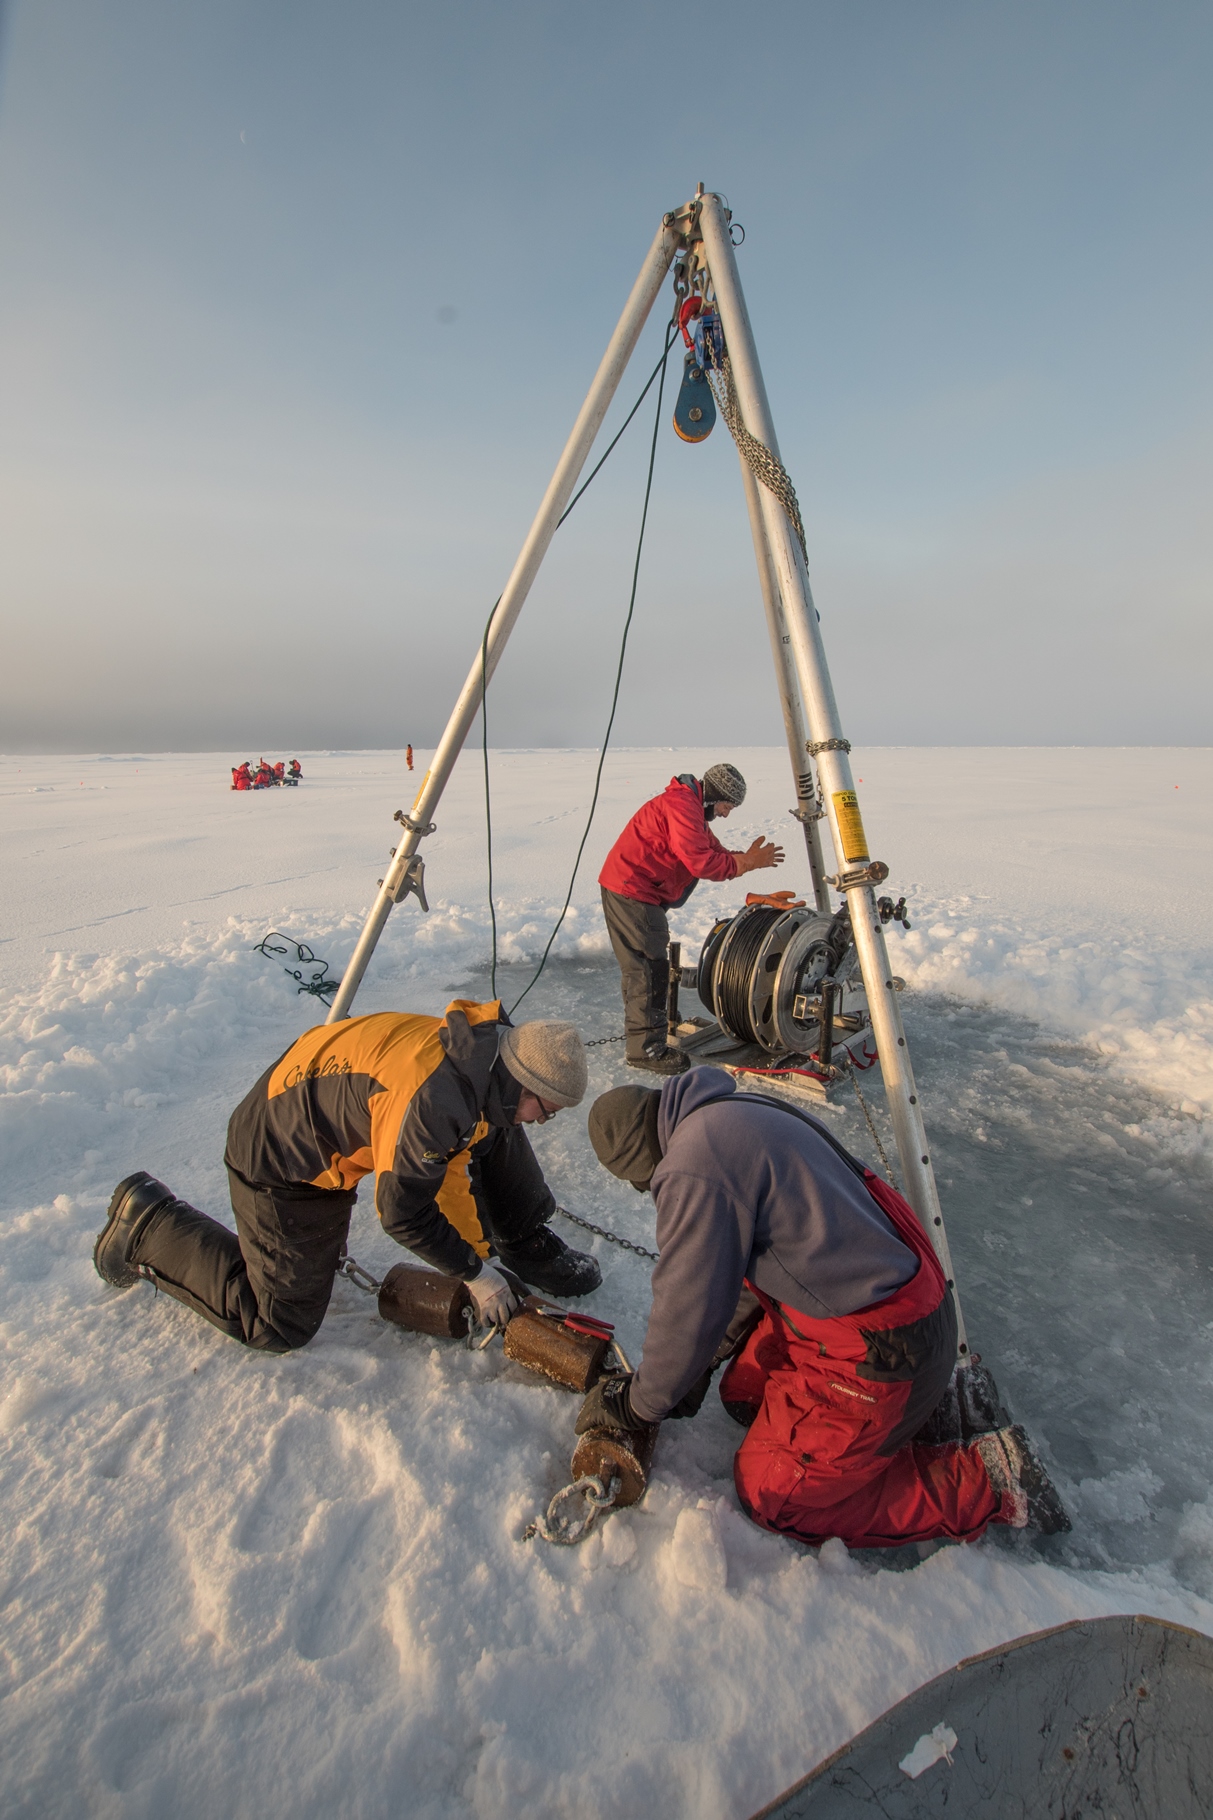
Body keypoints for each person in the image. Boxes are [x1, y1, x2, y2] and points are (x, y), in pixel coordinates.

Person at [580, 1066, 1070, 1547]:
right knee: (745, 1394)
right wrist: (704, 1362)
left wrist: (640, 1404)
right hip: (904, 1305)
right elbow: (746, 1267)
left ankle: (989, 1479)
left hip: (887, 1346)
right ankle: (915, 1417)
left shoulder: (693, 1165)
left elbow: (687, 1305)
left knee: (773, 1491)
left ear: (639, 1163)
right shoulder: (726, 1112)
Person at [94, 1002, 602, 1354]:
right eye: (546, 1108)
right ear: (522, 1078)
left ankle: (521, 1238)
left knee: (498, 1127)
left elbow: (449, 1156)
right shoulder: (436, 1098)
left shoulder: (486, 1055)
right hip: (281, 1155)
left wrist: (481, 1256)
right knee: (278, 1324)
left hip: (320, 1096)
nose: (543, 1120)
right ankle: (148, 1223)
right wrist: (474, 1274)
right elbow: (403, 1212)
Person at [598, 762, 785, 1074]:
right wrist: (748, 863)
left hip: (634, 889)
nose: (726, 814)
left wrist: (751, 877)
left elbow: (715, 854)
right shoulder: (683, 807)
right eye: (728, 806)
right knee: (648, 968)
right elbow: (701, 863)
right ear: (715, 796)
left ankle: (645, 1031)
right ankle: (645, 1049)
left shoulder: (692, 809)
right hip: (633, 890)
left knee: (643, 967)